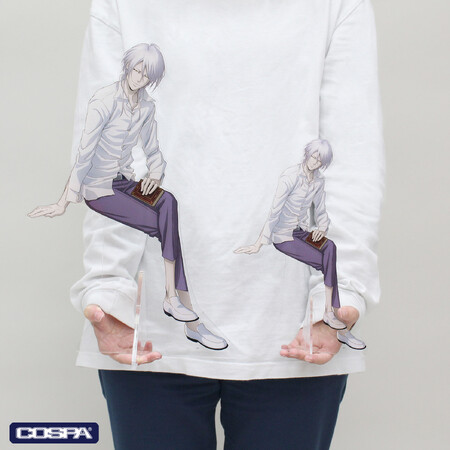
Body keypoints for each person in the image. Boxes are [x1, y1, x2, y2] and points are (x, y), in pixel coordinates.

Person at [45, 0, 386, 448]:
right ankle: (176, 300)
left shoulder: (335, 6)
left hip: (294, 329)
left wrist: (337, 295)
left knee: (164, 204)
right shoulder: (123, 6)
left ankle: (176, 299)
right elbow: (98, 154)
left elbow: (351, 158)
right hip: (145, 334)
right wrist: (109, 289)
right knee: (165, 205)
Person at [28, 43, 228, 355]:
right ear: (128, 67)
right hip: (99, 189)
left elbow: (153, 149)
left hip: (123, 183)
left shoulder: (146, 107)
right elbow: (84, 152)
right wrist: (64, 200)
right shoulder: (104, 100)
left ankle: (174, 301)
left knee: (168, 203)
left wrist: (155, 175)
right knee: (167, 227)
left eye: (146, 75)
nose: (139, 78)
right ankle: (185, 314)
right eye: (136, 70)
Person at [235, 139, 366, 350]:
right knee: (327, 263)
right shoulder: (290, 176)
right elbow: (274, 211)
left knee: (330, 247)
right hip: (283, 236)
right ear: (307, 154)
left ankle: (330, 314)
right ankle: (334, 320)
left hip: (301, 232)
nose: (315, 162)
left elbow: (320, 210)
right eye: (313, 157)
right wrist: (260, 242)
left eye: (320, 160)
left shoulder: (318, 180)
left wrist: (321, 228)